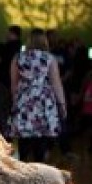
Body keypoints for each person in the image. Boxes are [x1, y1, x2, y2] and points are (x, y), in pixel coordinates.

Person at [9, 28, 66, 162]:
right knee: (41, 139)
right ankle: (38, 171)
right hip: (43, 101)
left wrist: (15, 101)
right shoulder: (49, 58)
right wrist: (62, 104)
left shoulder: (18, 57)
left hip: (24, 99)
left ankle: (23, 170)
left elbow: (14, 83)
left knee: (23, 139)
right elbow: (56, 83)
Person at [0, 25, 22, 136]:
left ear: (12, 34)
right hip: (14, 82)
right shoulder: (21, 47)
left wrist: (1, 44)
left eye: (8, 33)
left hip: (2, 81)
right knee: (9, 109)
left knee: (0, 108)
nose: (6, 35)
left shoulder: (7, 46)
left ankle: (2, 135)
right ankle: (9, 133)